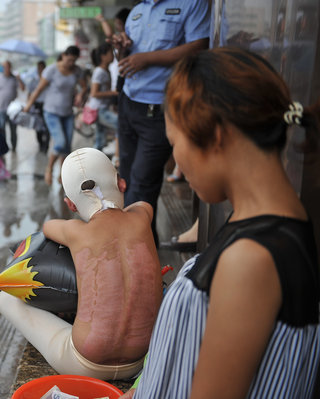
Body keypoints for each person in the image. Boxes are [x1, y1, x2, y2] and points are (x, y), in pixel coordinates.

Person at [125, 47, 320, 399]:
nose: (176, 159)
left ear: (214, 133)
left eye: (175, 143)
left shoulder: (252, 260)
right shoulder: (261, 224)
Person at [0, 147, 162, 380]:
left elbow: (47, 227)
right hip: (141, 360)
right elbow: (141, 206)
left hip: (85, 363)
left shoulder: (75, 231)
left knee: (5, 298)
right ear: (122, 184)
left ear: (71, 205)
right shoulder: (143, 215)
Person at [114, 1, 210, 244]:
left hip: (159, 107)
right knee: (124, 179)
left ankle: (135, 250)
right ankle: (144, 243)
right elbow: (128, 58)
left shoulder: (191, 3)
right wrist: (122, 48)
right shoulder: (137, 10)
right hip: (129, 101)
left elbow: (200, 46)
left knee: (142, 182)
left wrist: (148, 58)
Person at [24, 45, 88, 185]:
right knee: (60, 143)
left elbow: (84, 86)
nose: (71, 63)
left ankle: (62, 174)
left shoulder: (77, 71)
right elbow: (39, 89)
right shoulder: (51, 70)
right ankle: (49, 168)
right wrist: (28, 104)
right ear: (64, 55)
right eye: (69, 60)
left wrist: (81, 94)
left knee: (67, 147)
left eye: (74, 61)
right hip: (52, 112)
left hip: (68, 113)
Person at [85, 43, 117, 151]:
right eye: (110, 53)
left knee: (100, 137)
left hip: (101, 108)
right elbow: (94, 93)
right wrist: (113, 93)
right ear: (103, 56)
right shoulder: (100, 71)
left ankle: (96, 159)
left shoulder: (105, 71)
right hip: (99, 109)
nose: (113, 55)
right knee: (120, 126)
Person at [0, 60, 25, 152]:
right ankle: (4, 147)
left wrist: (19, 79)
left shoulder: (14, 79)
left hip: (12, 110)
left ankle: (14, 147)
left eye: (8, 67)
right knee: (2, 129)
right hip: (1, 108)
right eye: (4, 67)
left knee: (13, 130)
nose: (6, 69)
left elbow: (23, 88)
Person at [26, 60, 49, 153]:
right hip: (36, 105)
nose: (40, 70)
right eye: (39, 68)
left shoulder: (48, 81)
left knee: (47, 127)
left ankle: (46, 145)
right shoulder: (34, 81)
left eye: (42, 68)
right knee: (38, 127)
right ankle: (40, 143)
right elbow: (29, 93)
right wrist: (29, 104)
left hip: (47, 105)